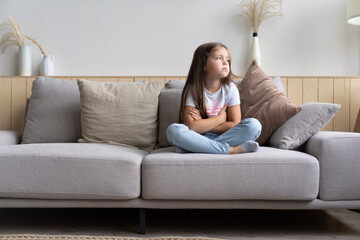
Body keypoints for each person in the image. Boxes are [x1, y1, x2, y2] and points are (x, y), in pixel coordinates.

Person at [166, 42, 262, 154]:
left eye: (227, 59)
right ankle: (230, 150)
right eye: (219, 58)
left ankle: (195, 147)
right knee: (173, 130)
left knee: (254, 125)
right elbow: (191, 126)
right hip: (197, 136)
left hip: (223, 136)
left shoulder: (231, 89)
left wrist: (202, 123)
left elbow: (235, 124)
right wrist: (220, 119)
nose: (225, 62)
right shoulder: (193, 89)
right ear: (204, 65)